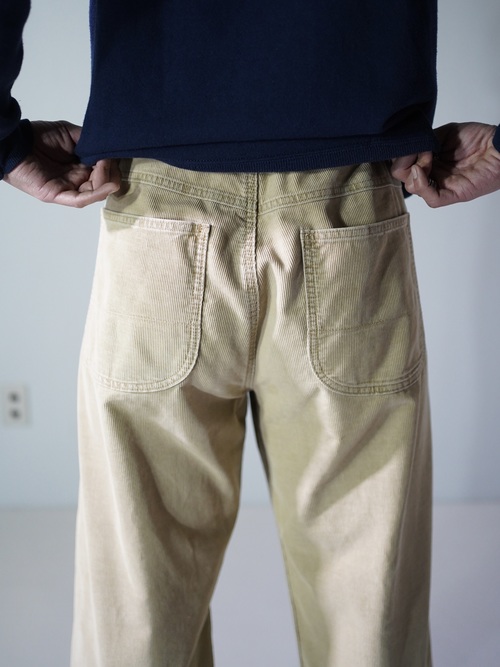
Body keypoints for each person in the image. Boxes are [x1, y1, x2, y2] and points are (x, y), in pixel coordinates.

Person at [1, 2, 500, 666]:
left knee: (136, 608)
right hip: (346, 210)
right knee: (366, 596)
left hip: (156, 215)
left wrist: (5, 143)